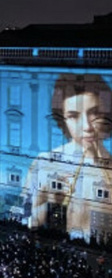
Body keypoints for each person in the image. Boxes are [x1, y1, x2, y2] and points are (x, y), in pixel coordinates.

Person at [26, 74, 112, 243]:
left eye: (94, 113)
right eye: (73, 116)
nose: (86, 127)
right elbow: (31, 218)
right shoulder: (42, 162)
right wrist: (44, 205)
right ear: (63, 121)